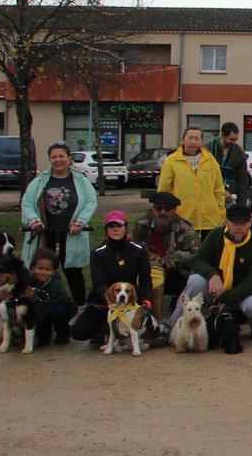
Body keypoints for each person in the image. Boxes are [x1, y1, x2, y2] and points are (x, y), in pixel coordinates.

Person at [165, 204, 252, 340]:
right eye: (234, 223)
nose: (239, 227)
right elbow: (197, 260)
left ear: (250, 223)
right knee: (195, 280)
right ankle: (171, 326)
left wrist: (223, 299)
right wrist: (213, 275)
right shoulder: (216, 234)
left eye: (243, 223)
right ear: (226, 222)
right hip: (216, 288)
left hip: (244, 292)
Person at [21, 140, 97, 306]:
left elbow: (91, 201)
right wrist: (33, 220)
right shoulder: (40, 181)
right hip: (45, 233)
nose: (58, 160)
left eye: (61, 156)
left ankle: (79, 306)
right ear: (50, 159)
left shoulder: (81, 181)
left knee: (73, 270)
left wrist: (80, 222)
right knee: (42, 269)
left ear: (69, 158)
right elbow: (27, 202)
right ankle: (41, 303)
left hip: (71, 233)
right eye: (54, 157)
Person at [70, 211, 155, 342]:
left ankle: (122, 332)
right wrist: (112, 300)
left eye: (119, 226)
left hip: (130, 300)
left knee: (147, 326)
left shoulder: (139, 250)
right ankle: (103, 328)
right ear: (106, 229)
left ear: (126, 228)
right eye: (111, 226)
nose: (115, 229)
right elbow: (99, 284)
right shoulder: (97, 253)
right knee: (79, 332)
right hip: (105, 300)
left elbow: (146, 280)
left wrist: (147, 300)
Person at [130, 190, 200, 319]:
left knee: (195, 282)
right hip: (147, 274)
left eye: (167, 209)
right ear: (153, 209)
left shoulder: (185, 226)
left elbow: (193, 252)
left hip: (177, 273)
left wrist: (166, 261)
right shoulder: (141, 225)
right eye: (158, 208)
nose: (163, 212)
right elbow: (131, 248)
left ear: (174, 210)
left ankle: (179, 309)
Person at [158, 126, 227, 236]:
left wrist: (221, 214)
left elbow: (218, 189)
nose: (193, 142)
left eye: (197, 139)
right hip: (182, 220)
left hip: (210, 221)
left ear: (201, 141)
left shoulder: (210, 160)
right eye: (190, 138)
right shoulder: (171, 161)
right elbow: (164, 191)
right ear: (183, 139)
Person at [25, 248, 76, 347]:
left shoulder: (55, 285)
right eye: (40, 268)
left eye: (48, 269)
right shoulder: (29, 280)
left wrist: (34, 299)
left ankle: (63, 333)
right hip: (42, 308)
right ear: (33, 268)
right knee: (43, 338)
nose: (43, 272)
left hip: (62, 307)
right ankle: (44, 334)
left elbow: (44, 305)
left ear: (54, 271)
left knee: (55, 311)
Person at [207, 122, 250, 207]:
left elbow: (242, 180)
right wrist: (221, 191)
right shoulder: (208, 149)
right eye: (231, 139)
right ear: (223, 135)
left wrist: (242, 205)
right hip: (209, 196)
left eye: (236, 139)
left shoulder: (239, 153)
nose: (234, 142)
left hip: (230, 199)